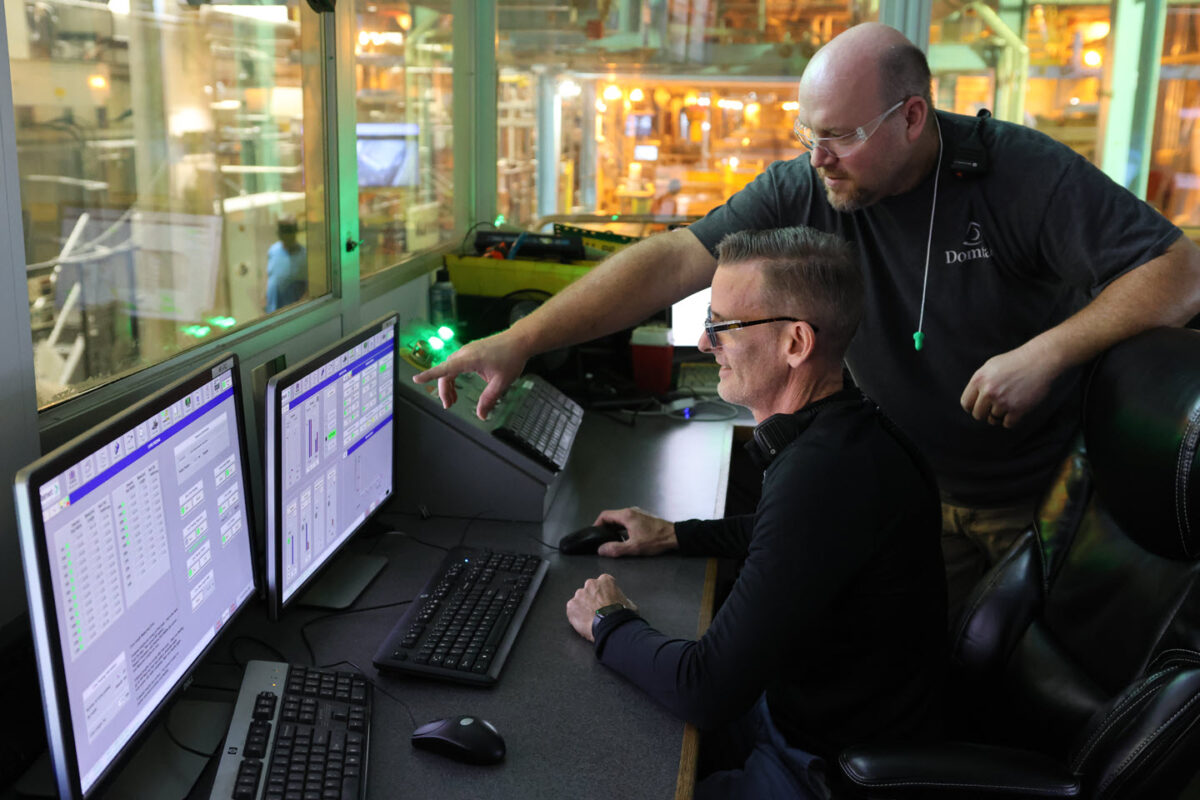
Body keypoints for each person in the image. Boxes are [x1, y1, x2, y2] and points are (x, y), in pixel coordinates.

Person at [419, 23, 1200, 623]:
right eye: (808, 133)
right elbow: (670, 261)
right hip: (911, 495)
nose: (817, 157)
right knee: (919, 681)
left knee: (1025, 700)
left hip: (1036, 498)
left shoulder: (1019, 175)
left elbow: (1178, 271)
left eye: (839, 137)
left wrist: (1047, 353)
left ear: (913, 118)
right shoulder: (814, 185)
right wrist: (521, 339)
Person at [564, 227, 946, 799]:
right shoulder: (845, 433)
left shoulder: (823, 473)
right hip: (798, 713)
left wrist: (609, 622)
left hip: (822, 767)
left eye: (722, 325)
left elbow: (705, 687)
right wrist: (675, 534)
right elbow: (791, 538)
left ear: (795, 343)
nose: (702, 342)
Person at [264, 215, 307, 312]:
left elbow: (309, 288)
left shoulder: (304, 255)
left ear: (295, 231)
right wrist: (265, 298)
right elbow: (270, 275)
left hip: (292, 314)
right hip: (272, 311)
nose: (284, 234)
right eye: (282, 230)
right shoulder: (273, 250)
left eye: (288, 230)